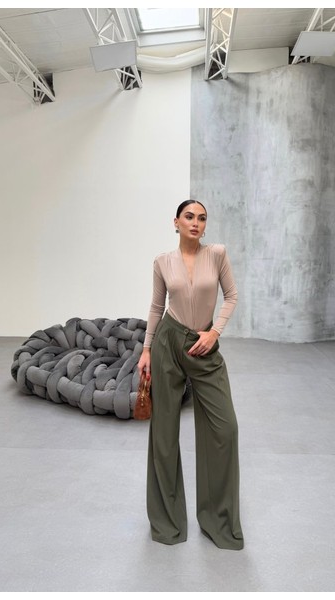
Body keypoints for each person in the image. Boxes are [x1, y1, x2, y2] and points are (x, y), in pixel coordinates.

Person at [138, 199, 244, 550]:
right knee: (164, 433)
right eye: (189, 217)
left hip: (204, 345)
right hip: (168, 342)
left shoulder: (217, 254)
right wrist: (147, 350)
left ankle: (218, 520)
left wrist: (214, 332)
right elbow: (157, 307)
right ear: (176, 222)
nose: (196, 223)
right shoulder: (162, 262)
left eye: (202, 218)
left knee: (225, 429)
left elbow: (232, 296)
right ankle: (167, 522)